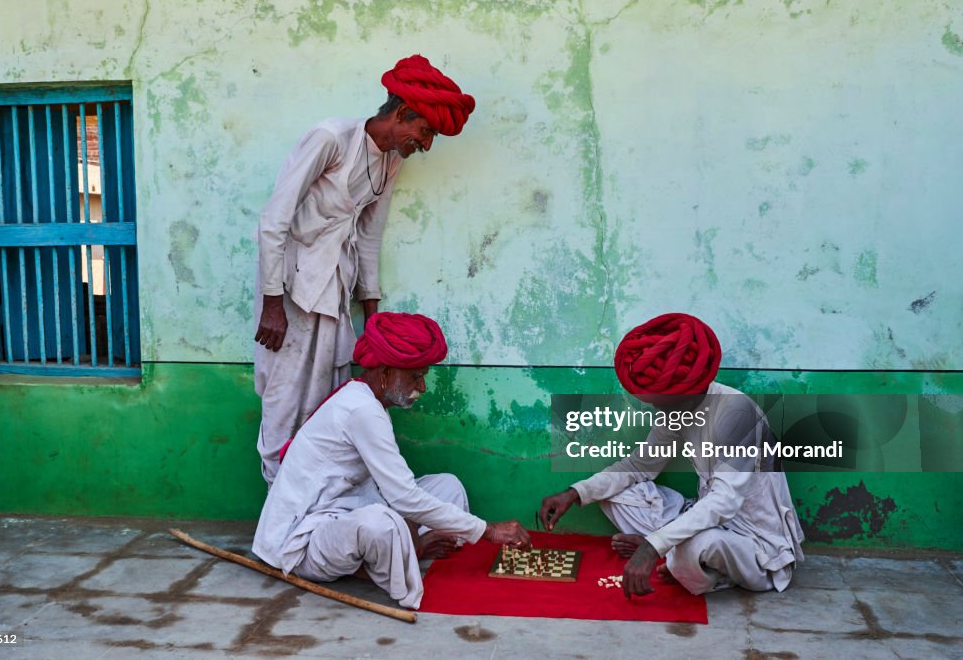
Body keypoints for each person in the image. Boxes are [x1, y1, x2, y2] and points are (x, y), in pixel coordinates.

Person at [253, 55, 476, 485]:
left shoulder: (392, 159)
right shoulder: (330, 138)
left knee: (325, 401)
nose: (425, 145)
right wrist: (272, 303)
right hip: (292, 287)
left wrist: (374, 322)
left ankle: (315, 512)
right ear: (403, 113)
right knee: (284, 399)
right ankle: (278, 519)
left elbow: (370, 236)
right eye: (424, 131)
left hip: (335, 287)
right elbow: (274, 220)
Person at [252, 312, 530, 609]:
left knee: (448, 486)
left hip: (348, 507)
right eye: (415, 376)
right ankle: (403, 554)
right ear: (384, 372)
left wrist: (410, 518)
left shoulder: (369, 402)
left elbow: (396, 489)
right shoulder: (362, 411)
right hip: (303, 542)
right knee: (382, 523)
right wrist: (489, 530)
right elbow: (403, 497)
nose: (422, 387)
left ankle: (400, 551)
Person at [539, 313, 804, 599]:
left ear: (690, 391)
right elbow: (638, 466)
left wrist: (651, 548)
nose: (660, 413)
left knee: (699, 544)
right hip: (705, 512)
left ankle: (684, 560)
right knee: (617, 494)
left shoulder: (738, 414)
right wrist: (575, 493)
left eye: (663, 405)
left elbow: (724, 502)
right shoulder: (676, 409)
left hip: (752, 542)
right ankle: (674, 553)